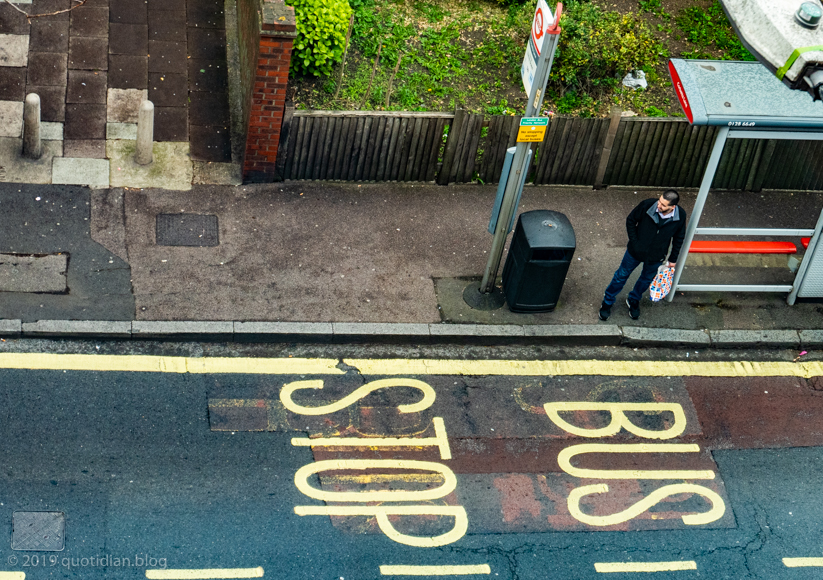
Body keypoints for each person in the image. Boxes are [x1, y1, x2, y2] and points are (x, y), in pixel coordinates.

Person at [599, 190, 687, 321]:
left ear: (672, 207)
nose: (659, 205)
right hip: (635, 252)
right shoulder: (647, 205)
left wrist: (673, 259)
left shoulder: (680, 215)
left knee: (645, 280)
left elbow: (679, 238)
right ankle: (607, 301)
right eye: (659, 201)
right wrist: (635, 243)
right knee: (621, 276)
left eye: (663, 205)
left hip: (656, 256)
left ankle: (634, 299)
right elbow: (630, 221)